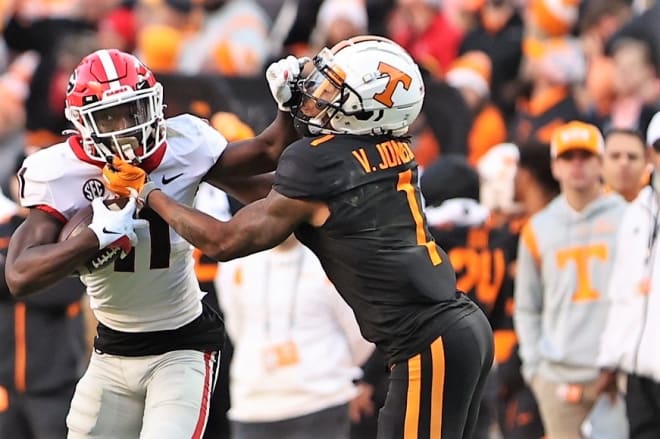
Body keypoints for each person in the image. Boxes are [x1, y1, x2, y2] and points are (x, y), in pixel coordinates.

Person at [101, 35, 494, 439]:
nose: (318, 96)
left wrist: (150, 193)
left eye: (333, 91)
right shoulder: (387, 146)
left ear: (367, 109)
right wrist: (202, 170)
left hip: (426, 342)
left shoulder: (320, 161)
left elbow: (225, 241)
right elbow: (279, 198)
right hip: (455, 330)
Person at [4, 48, 302, 438]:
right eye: (110, 117)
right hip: (111, 351)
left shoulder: (182, 145)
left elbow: (267, 151)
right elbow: (19, 275)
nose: (127, 128)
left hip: (182, 343)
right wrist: (96, 236)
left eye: (136, 110)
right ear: (82, 123)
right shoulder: (60, 171)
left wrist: (287, 105)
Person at [514, 121, 627, 438]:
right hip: (558, 376)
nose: (577, 164)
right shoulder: (538, 228)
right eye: (568, 157)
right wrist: (536, 370)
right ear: (555, 166)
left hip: (614, 374)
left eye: (585, 155)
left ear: (600, 162)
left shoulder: (627, 217)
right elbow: (527, 306)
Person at [217, 233, 374, 438]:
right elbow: (236, 326)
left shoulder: (333, 259)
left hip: (323, 400)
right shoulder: (235, 261)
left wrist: (335, 371)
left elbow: (360, 334)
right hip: (252, 404)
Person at [0, 184, 87, 439]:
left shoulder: (68, 232)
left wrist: (11, 280)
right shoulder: (5, 229)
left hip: (55, 384)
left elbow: (67, 291)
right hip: (5, 387)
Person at [595, 111, 660, 438]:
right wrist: (609, 358)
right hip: (636, 368)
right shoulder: (636, 212)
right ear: (651, 154)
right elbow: (621, 291)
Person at [602, 127, 649, 202]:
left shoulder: (655, 206)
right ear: (600, 162)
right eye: (615, 156)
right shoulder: (585, 205)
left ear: (646, 163)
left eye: (632, 157)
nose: (624, 163)